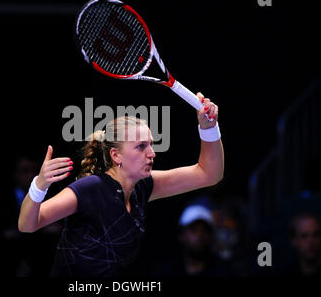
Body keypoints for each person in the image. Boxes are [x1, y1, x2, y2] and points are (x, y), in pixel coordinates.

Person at [18, 92, 224, 277]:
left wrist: (208, 128)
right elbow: (28, 225)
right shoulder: (91, 188)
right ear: (116, 155)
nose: (152, 153)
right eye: (141, 146)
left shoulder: (142, 187)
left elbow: (208, 174)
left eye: (151, 144)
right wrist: (39, 185)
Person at [153, 203, 234, 277]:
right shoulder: (166, 271)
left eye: (204, 230)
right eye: (193, 229)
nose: (200, 235)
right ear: (181, 235)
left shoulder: (223, 272)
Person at [280, 212, 321, 277]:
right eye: (304, 236)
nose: (311, 241)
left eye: (316, 235)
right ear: (293, 241)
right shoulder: (288, 273)